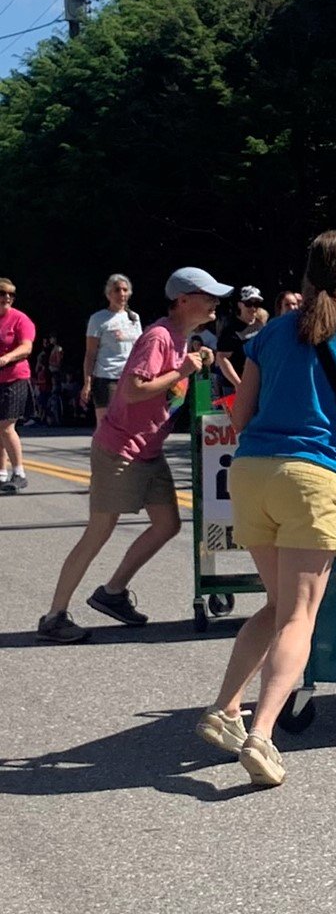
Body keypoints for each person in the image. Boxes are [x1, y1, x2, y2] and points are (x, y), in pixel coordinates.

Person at [195, 232, 336, 787]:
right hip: (315, 478)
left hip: (250, 473)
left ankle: (227, 710)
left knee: (277, 606)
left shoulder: (268, 335)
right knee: (300, 615)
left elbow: (242, 414)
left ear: (306, 278)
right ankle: (262, 734)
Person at [35, 268, 230, 642]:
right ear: (184, 300)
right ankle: (54, 615)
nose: (215, 303)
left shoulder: (179, 338)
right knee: (99, 531)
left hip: (149, 450)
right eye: (208, 296)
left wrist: (189, 363)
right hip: (120, 449)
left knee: (167, 525)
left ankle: (112, 593)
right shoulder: (158, 338)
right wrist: (180, 372)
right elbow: (134, 391)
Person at [81, 274, 142, 426]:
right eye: (117, 290)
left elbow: (140, 348)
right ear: (109, 294)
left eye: (125, 290)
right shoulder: (98, 319)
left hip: (130, 376)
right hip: (107, 377)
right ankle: (100, 450)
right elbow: (90, 353)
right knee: (106, 425)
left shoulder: (134, 318)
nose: (121, 294)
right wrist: (87, 382)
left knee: (129, 423)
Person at [0, 278, 35, 493]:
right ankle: (1, 473)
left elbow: (26, 347)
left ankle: (19, 473)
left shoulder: (20, 319)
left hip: (15, 378)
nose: (6, 298)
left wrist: (6, 358)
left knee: (6, 426)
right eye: (2, 293)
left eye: (10, 295)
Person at [214, 287, 270, 392]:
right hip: (235, 387)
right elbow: (222, 358)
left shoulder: (261, 325)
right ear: (240, 304)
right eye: (248, 303)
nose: (253, 308)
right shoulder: (231, 330)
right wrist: (239, 384)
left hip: (260, 383)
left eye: (256, 304)